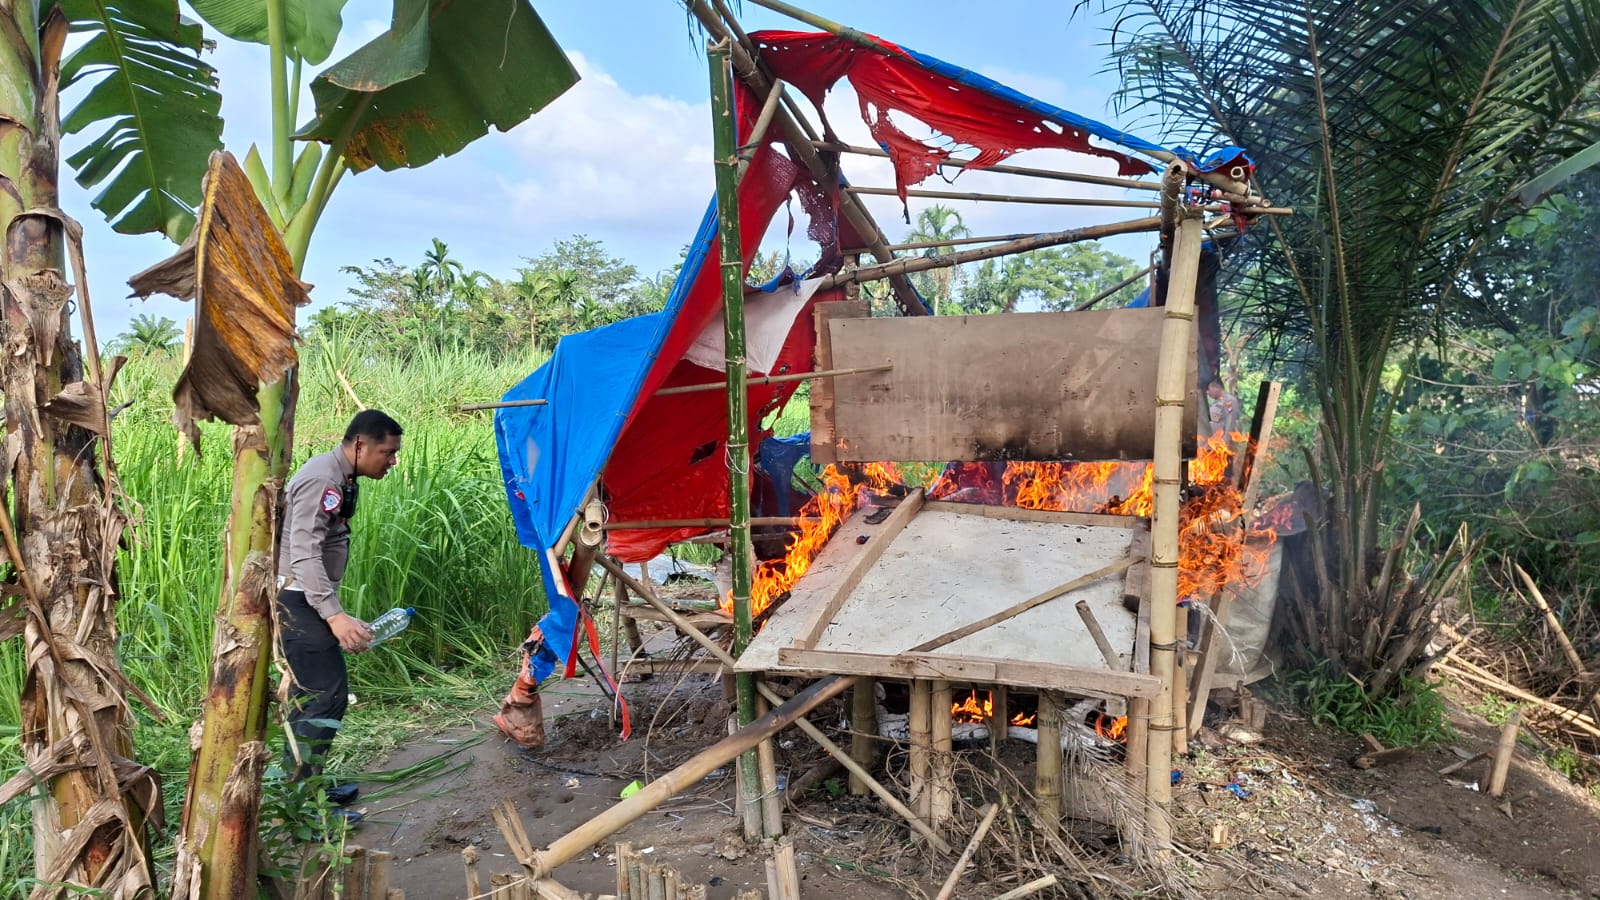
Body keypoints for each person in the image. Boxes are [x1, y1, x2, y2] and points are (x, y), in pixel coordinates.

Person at [276, 410, 403, 822]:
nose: (392, 461)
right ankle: (300, 809)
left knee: (315, 697)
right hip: (297, 600)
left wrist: (337, 615)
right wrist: (334, 617)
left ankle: (305, 787)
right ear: (360, 445)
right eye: (387, 452)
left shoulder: (341, 477)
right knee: (322, 697)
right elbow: (304, 554)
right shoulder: (322, 479)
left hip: (306, 598)